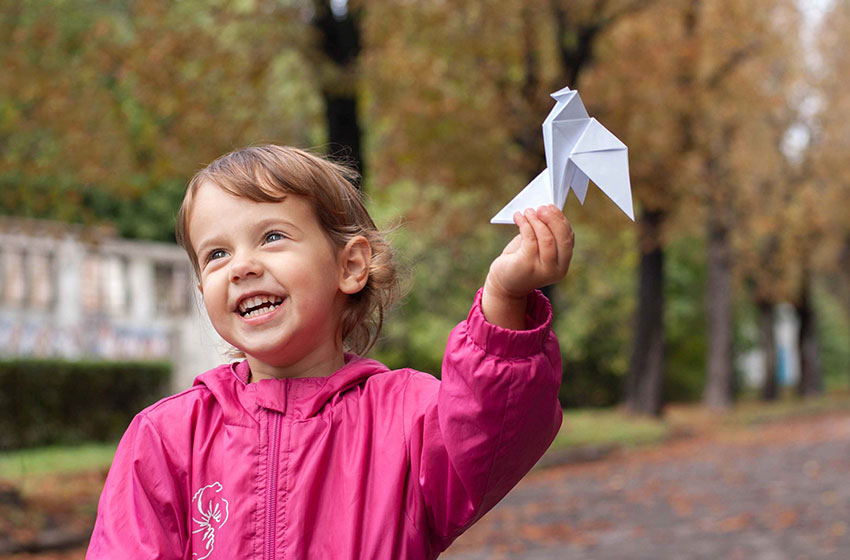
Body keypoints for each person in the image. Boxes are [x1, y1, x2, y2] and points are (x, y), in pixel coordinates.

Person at [87, 145, 574, 559]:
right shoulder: (167, 437)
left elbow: (493, 430)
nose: (241, 267)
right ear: (201, 287)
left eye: (272, 237)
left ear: (351, 265)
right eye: (216, 254)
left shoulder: (407, 418)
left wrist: (504, 300)